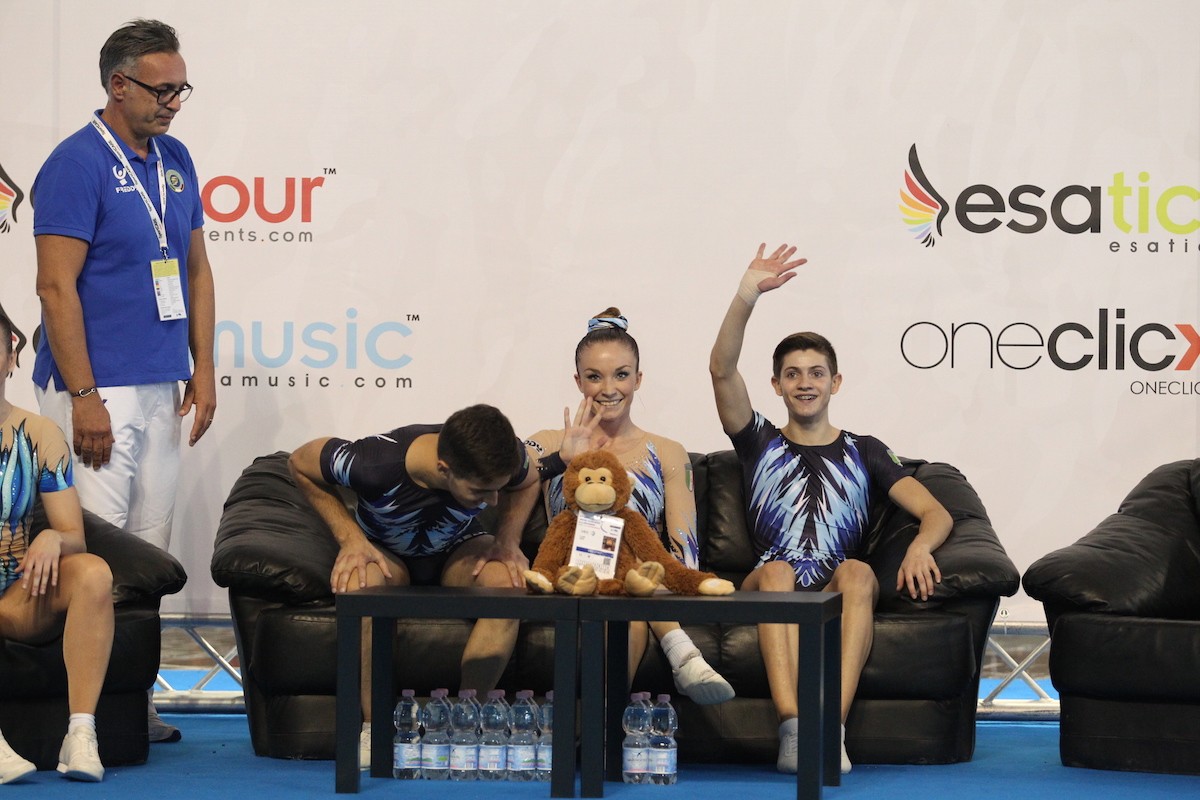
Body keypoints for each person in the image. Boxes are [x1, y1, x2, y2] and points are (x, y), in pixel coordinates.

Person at [31, 19, 216, 743]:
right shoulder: (75, 164)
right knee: (94, 558)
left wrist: (202, 367)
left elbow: (196, 269)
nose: (174, 103)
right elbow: (55, 287)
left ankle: (132, 702)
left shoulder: (176, 157)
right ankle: (81, 711)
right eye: (162, 90)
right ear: (118, 84)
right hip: (95, 389)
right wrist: (83, 397)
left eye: (181, 90)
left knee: (149, 549)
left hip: (161, 381)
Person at [708, 245, 953, 775]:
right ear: (776, 386)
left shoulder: (865, 451)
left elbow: (937, 513)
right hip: (769, 580)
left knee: (859, 572)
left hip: (833, 586)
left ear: (835, 383)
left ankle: (828, 729)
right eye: (793, 374)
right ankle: (794, 729)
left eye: (816, 373)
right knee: (777, 571)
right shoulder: (758, 441)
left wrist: (919, 547)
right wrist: (747, 294)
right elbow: (721, 369)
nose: (805, 383)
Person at [288, 404, 541, 767]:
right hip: (387, 553)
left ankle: (467, 721)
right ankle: (374, 727)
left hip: (457, 548)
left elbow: (529, 479)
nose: (493, 501)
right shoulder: (372, 463)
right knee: (363, 586)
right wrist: (350, 538)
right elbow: (299, 462)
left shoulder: (505, 452)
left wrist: (508, 539)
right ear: (444, 468)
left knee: (508, 584)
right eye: (481, 491)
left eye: (497, 489)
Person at [524, 308, 734, 705]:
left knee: (631, 603)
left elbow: (684, 554)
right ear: (577, 381)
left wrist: (646, 576)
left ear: (638, 379)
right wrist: (560, 460)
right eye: (594, 376)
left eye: (621, 374)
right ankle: (683, 654)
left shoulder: (667, 452)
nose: (609, 389)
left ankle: (599, 727)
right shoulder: (550, 441)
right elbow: (507, 475)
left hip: (636, 590)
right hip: (570, 582)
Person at [0, 309, 114, 783]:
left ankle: (80, 734)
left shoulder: (41, 433)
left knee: (93, 573)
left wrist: (52, 535)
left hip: (15, 594)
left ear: (11, 356)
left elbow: (74, 535)